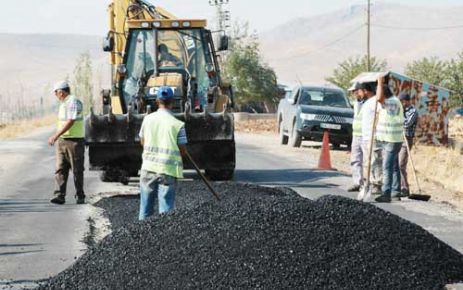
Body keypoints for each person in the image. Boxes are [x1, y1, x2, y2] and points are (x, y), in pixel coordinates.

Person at [138, 86, 188, 220]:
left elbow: (142, 141)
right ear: (173, 102)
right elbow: (182, 150)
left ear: (157, 101)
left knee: (145, 210)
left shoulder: (147, 120)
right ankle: (164, 239)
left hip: (148, 168)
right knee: (166, 213)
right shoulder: (178, 124)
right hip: (168, 170)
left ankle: (141, 238)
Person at [48, 81, 85, 205]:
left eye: (56, 93)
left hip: (74, 141)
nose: (56, 96)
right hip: (62, 140)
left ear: (61, 92)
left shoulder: (72, 101)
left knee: (77, 170)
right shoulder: (64, 103)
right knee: (60, 169)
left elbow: (71, 121)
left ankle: (80, 195)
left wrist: (55, 135)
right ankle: (59, 195)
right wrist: (58, 137)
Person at [375, 76, 405, 203]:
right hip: (389, 139)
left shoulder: (392, 102)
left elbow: (378, 98)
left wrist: (380, 83)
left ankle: (386, 193)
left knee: (387, 166)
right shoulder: (391, 101)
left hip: (391, 140)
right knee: (394, 166)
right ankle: (396, 191)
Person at [358, 82, 382, 195]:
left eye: (359, 91)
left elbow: (380, 116)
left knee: (375, 161)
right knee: (367, 162)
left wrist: (376, 129)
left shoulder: (376, 102)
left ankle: (377, 184)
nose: (358, 93)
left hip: (374, 137)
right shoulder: (366, 103)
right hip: (366, 136)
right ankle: (367, 183)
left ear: (365, 91)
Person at [398, 92, 418, 197]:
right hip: (397, 138)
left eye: (402, 101)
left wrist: (399, 117)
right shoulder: (400, 110)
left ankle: (405, 188)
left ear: (407, 101)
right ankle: (398, 187)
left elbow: (406, 124)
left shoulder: (413, 112)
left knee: (401, 164)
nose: (401, 103)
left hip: (406, 140)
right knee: (395, 164)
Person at [348, 82, 364, 192]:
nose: (354, 93)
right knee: (355, 160)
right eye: (353, 92)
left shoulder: (369, 103)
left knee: (368, 160)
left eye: (355, 91)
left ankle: (369, 183)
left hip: (366, 135)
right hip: (356, 134)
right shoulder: (356, 103)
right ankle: (357, 182)